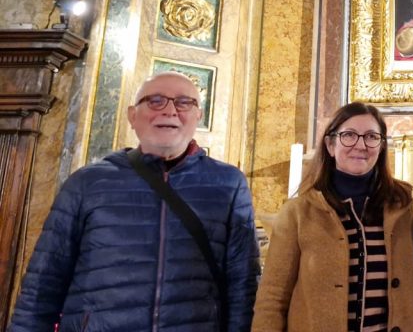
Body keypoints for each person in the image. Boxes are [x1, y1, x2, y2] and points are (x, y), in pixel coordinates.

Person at [10, 72, 260, 331]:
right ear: (132, 116)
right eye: (156, 100)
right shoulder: (87, 183)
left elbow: (243, 286)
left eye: (184, 102)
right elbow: (44, 281)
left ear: (198, 116)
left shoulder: (228, 184)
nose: (170, 111)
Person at [253, 102, 413, 332]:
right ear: (331, 145)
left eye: (371, 137)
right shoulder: (298, 213)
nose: (360, 145)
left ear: (381, 147)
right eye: (349, 135)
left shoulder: (401, 210)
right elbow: (273, 297)